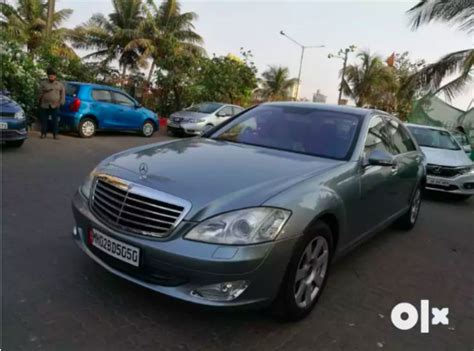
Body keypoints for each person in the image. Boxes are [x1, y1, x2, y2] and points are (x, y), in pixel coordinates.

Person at [38, 68, 65, 139]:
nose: (51, 77)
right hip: (44, 105)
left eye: (52, 76)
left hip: (55, 105)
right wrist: (39, 101)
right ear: (48, 76)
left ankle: (55, 135)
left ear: (55, 76)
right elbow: (39, 93)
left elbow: (62, 95)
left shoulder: (59, 85)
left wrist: (61, 103)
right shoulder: (43, 83)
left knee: (55, 121)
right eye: (50, 76)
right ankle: (43, 134)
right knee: (44, 121)